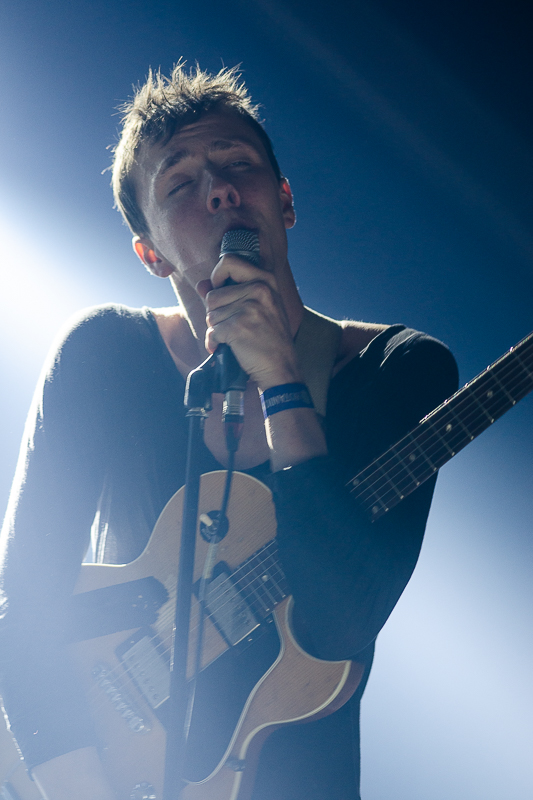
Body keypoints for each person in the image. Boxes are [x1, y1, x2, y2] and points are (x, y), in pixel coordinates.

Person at [0, 64, 458, 800]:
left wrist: (281, 377)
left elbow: (340, 625)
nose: (218, 190)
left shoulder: (396, 368)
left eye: (238, 164)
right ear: (150, 253)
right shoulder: (103, 355)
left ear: (284, 201)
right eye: (179, 184)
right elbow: (21, 605)